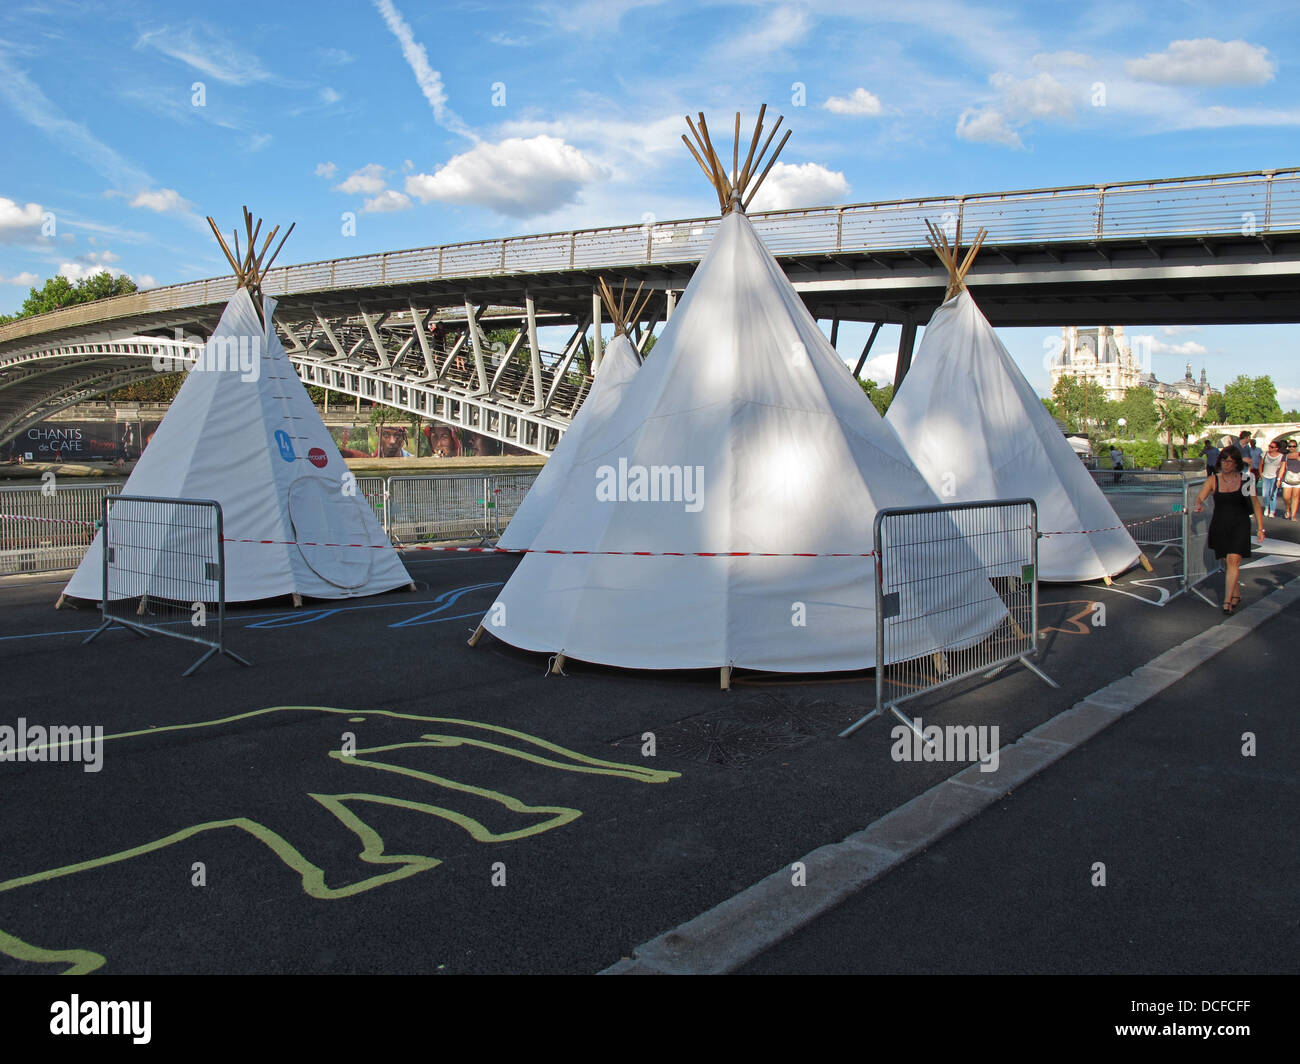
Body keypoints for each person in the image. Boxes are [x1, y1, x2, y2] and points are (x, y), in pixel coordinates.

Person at [1194, 445, 1265, 613]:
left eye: (1230, 462)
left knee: (1233, 560)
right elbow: (1200, 497)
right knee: (1227, 561)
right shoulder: (1213, 480)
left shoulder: (1247, 480)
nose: (1226, 465)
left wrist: (1261, 528)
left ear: (1237, 464)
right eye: (1224, 461)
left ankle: (1227, 602)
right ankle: (1235, 593)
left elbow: (1255, 505)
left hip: (1240, 524)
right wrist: (1198, 505)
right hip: (1220, 524)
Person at [1259, 439, 1285, 518]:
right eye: (1269, 446)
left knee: (1273, 494)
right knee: (1265, 494)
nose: (1269, 448)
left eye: (1272, 447)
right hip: (1265, 476)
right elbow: (1261, 464)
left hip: (1274, 477)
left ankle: (1272, 511)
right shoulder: (1265, 454)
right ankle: (1267, 507)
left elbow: (1282, 467)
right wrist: (1261, 473)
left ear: (1276, 448)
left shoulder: (1281, 456)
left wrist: (1279, 478)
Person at [1282, 439, 1300, 521]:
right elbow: (1282, 467)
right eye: (1290, 446)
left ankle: (1293, 515)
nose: (1292, 448)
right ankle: (1287, 508)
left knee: (1295, 497)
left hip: (1298, 478)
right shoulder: (1285, 456)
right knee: (1286, 497)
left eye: (1294, 446)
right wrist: (1279, 479)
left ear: (1296, 447)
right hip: (1287, 478)